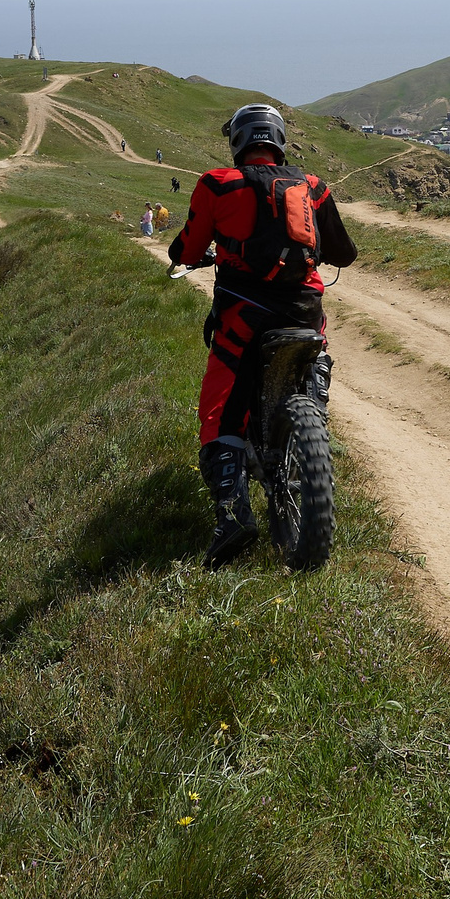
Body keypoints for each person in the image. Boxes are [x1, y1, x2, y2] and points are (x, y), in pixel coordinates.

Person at [166, 104, 358, 566]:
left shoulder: (218, 183)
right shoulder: (313, 186)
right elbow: (345, 254)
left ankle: (232, 515)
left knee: (218, 409)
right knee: (317, 354)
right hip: (305, 311)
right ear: (280, 141)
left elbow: (187, 247)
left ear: (238, 142)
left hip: (244, 315)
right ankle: (314, 402)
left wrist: (199, 253)